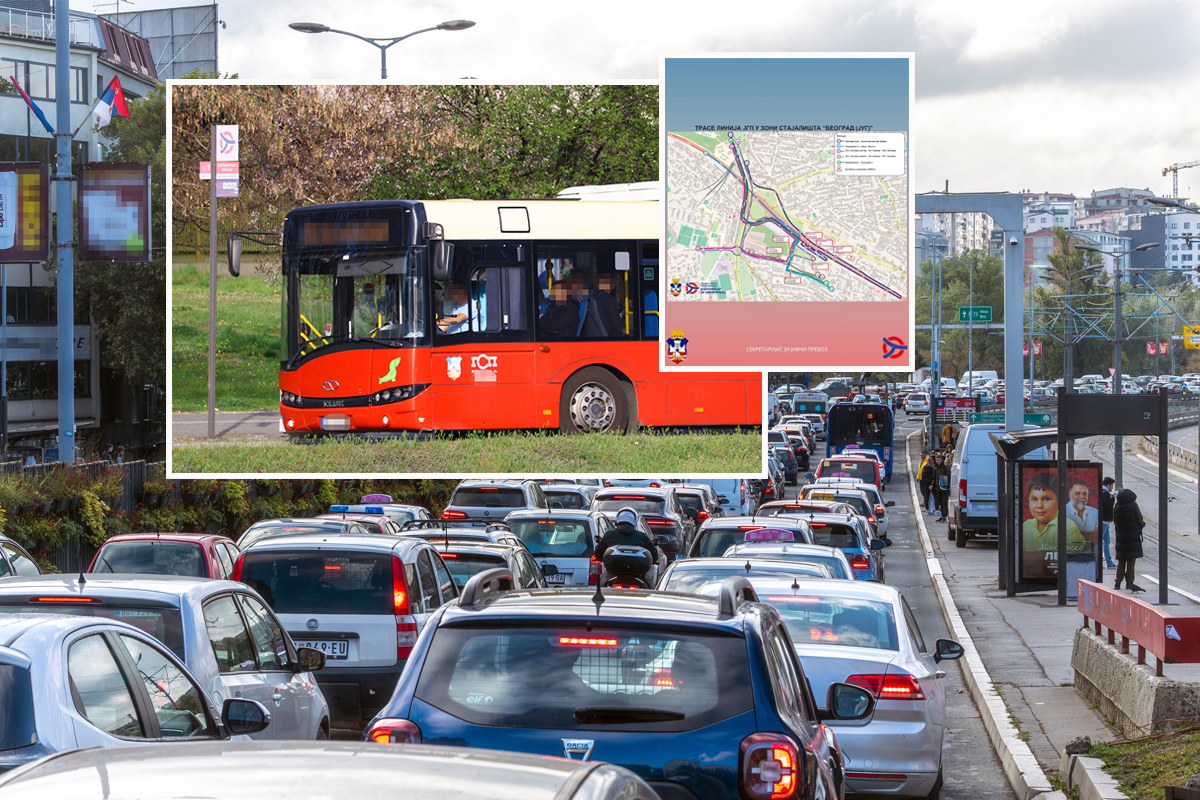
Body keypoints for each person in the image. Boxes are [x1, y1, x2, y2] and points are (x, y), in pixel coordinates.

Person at [1021, 472, 1084, 553]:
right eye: (1034, 499)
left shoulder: (1068, 528)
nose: (1039, 505)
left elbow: (1069, 562)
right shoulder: (1026, 526)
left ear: (1059, 501)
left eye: (1046, 499)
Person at [595, 507, 661, 564]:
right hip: (638, 574)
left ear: (618, 519)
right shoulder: (642, 537)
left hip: (612, 574)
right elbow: (654, 557)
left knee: (603, 578)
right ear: (634, 521)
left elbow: (598, 554)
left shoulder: (609, 534)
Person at [1113, 488, 1146, 592]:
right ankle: (1129, 582)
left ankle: (1118, 582)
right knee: (1131, 560)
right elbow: (1140, 519)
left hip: (1121, 537)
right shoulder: (1133, 505)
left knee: (1121, 559)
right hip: (1132, 537)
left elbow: (1115, 520)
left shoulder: (1117, 506)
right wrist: (1141, 525)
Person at [1099, 477, 1117, 569]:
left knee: (1107, 541)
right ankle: (1101, 562)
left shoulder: (1102, 492)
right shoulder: (1105, 493)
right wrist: (1113, 499)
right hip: (1104, 521)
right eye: (1112, 485)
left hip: (1104, 521)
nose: (1112, 488)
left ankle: (1109, 562)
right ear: (1108, 485)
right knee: (1100, 542)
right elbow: (1109, 506)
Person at [933, 453, 951, 523]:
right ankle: (942, 515)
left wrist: (947, 485)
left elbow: (948, 477)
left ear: (942, 460)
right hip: (938, 488)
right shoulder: (936, 468)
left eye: (939, 460)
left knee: (944, 502)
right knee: (940, 502)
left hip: (944, 488)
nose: (938, 461)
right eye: (937, 460)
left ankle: (944, 516)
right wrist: (932, 485)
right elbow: (934, 478)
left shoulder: (945, 468)